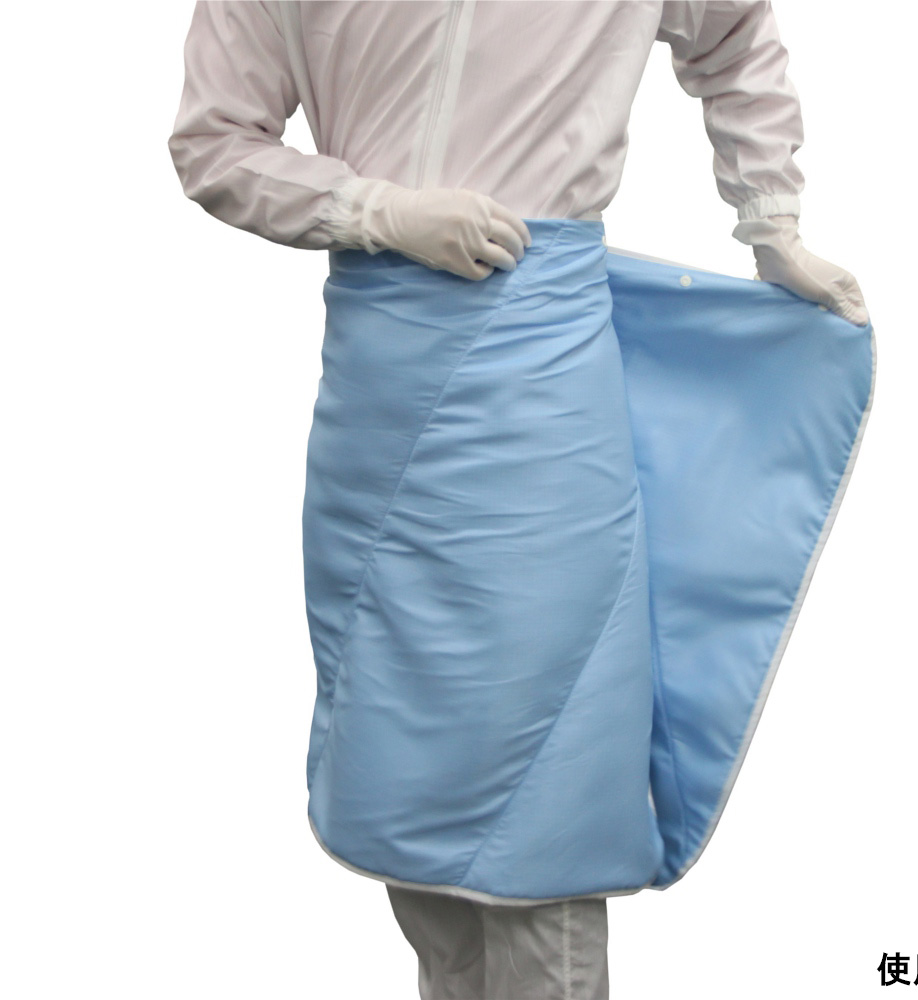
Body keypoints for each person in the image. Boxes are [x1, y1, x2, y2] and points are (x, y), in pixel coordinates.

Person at [168, 3, 868, 998]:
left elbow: (732, 32)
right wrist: (370, 209)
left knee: (550, 773)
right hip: (378, 396)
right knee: (411, 779)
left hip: (543, 390)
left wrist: (772, 220)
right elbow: (213, 141)